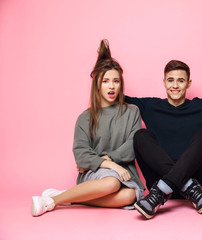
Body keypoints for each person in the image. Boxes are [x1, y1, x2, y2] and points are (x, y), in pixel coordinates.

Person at [31, 39, 145, 217]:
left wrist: (107, 159)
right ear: (97, 84)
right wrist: (108, 164)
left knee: (130, 195)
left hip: (125, 173)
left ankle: (67, 196)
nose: (111, 86)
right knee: (111, 184)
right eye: (106, 81)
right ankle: (50, 201)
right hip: (96, 173)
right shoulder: (85, 118)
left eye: (116, 81)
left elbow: (132, 147)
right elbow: (81, 155)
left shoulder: (132, 111)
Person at [125, 60, 202, 219]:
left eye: (180, 81)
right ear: (164, 82)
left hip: (185, 185)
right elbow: (115, 94)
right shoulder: (150, 106)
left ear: (188, 83)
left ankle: (167, 189)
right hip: (166, 185)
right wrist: (103, 63)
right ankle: (185, 186)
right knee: (141, 135)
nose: (175, 85)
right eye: (170, 80)